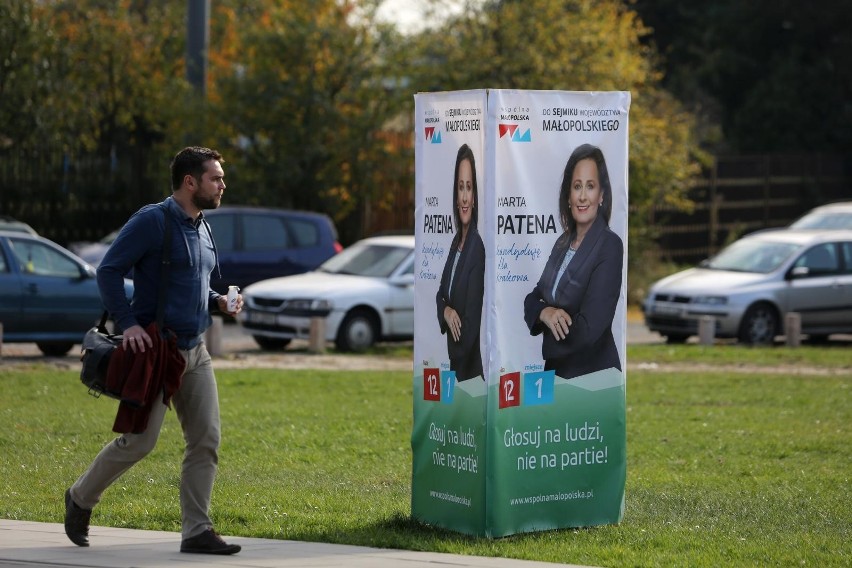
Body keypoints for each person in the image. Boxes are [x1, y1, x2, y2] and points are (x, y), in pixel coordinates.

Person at [64, 146, 243, 555]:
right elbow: (109, 270)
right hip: (158, 353)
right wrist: (127, 325)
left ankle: (197, 531)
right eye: (215, 178)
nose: (222, 185)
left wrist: (218, 301)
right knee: (140, 442)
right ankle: (79, 497)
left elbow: (194, 285)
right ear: (190, 182)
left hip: (195, 351)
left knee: (206, 440)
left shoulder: (203, 226)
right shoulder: (153, 221)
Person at [523, 143, 623, 380]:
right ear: (568, 195)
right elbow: (532, 298)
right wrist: (545, 313)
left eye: (590, 186)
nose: (582, 196)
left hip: (592, 380)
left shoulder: (609, 245)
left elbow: (589, 329)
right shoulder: (562, 243)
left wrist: (546, 341)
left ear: (601, 196)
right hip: (555, 375)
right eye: (576, 186)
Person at [436, 144, 485, 381]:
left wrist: (454, 354)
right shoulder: (456, 243)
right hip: (455, 365)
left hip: (469, 373)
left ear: (475, 197)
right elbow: (440, 295)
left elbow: (472, 322)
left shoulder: (477, 248)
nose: (464, 197)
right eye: (460, 188)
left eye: (469, 188)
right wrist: (445, 310)